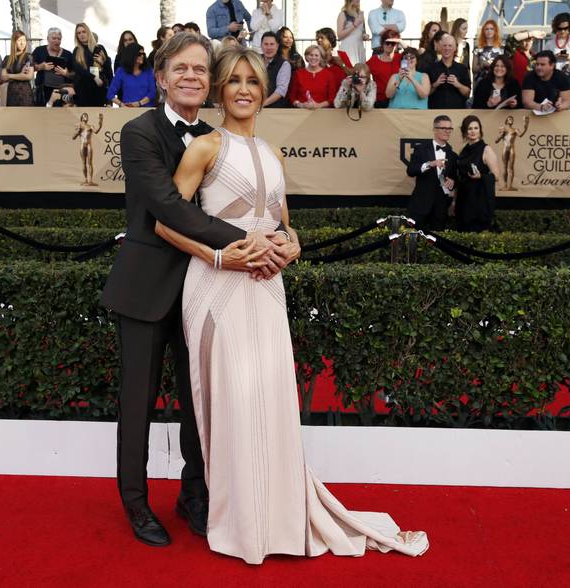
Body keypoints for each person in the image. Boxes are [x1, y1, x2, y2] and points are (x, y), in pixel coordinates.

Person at [154, 44, 427, 566]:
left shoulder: (274, 153)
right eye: (233, 80)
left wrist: (293, 244)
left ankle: (277, 516)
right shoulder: (204, 148)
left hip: (267, 285)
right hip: (217, 286)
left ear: (263, 91)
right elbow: (165, 222)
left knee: (272, 398)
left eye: (252, 81)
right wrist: (220, 254)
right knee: (233, 401)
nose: (242, 89)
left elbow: (281, 222)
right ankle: (239, 521)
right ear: (219, 90)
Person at [99, 32, 295, 548]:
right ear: (161, 77)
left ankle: (194, 496)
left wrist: (278, 240)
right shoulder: (139, 132)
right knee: (137, 406)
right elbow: (169, 208)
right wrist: (253, 243)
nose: (191, 76)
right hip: (147, 290)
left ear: (209, 82)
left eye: (200, 70)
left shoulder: (217, 139)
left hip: (203, 291)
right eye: (180, 69)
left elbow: (265, 206)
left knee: (200, 402)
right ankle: (136, 504)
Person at [406, 114, 457, 231]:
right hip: (420, 203)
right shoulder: (421, 149)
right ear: (435, 129)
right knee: (412, 239)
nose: (447, 131)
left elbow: (455, 178)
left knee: (437, 242)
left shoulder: (453, 155)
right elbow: (410, 171)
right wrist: (430, 164)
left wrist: (452, 182)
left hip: (441, 207)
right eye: (443, 128)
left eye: (449, 128)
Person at [454, 115, 500, 232]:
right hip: (463, 199)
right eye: (470, 128)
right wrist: (454, 201)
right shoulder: (463, 151)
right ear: (465, 132)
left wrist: (481, 176)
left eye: (476, 128)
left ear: (480, 130)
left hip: (479, 200)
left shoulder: (486, 149)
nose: (473, 131)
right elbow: (459, 177)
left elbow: (496, 176)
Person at [425, 33, 471, 109]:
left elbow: (467, 94)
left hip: (457, 112)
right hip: (435, 112)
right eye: (444, 45)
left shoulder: (462, 69)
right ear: (440, 48)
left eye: (450, 46)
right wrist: (435, 84)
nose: (447, 48)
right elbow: (425, 93)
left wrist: (458, 84)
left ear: (455, 48)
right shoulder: (431, 68)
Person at [72, 23, 112, 107]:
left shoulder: (99, 48)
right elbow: (79, 69)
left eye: (83, 31)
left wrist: (102, 62)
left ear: (88, 32)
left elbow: (108, 70)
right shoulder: (77, 50)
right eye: (78, 33)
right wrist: (94, 77)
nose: (81, 35)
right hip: (83, 90)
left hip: (99, 89)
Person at [32, 27, 74, 106]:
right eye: (54, 38)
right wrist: (41, 67)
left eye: (59, 39)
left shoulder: (68, 54)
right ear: (48, 39)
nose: (57, 41)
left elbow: (75, 74)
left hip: (61, 93)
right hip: (42, 93)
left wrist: (65, 73)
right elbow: (31, 68)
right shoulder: (39, 50)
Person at [107, 43, 156, 107]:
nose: (142, 56)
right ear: (131, 55)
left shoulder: (148, 71)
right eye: (139, 54)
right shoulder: (121, 71)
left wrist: (139, 103)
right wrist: (121, 104)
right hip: (128, 110)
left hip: (146, 110)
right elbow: (110, 94)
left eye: (143, 54)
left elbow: (152, 92)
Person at [289, 44, 336, 109]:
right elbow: (292, 97)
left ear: (321, 58)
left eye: (316, 55)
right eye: (311, 55)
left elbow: (332, 98)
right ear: (306, 57)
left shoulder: (329, 75)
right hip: (302, 112)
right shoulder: (298, 74)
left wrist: (318, 105)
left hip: (322, 112)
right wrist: (301, 105)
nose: (313, 57)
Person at [366, 30, 401, 108]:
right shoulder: (374, 60)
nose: (389, 46)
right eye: (387, 43)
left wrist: (400, 41)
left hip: (398, 99)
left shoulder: (401, 58)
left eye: (392, 43)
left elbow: (414, 55)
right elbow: (361, 70)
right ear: (382, 43)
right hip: (380, 101)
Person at [494, 114, 528, 191]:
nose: (511, 120)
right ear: (506, 121)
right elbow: (496, 141)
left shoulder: (515, 130)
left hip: (512, 149)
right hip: (505, 149)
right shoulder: (503, 129)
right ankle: (505, 185)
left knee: (511, 168)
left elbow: (521, 135)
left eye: (512, 119)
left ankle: (510, 186)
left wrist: (525, 128)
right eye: (509, 119)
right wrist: (501, 135)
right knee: (505, 167)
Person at [1, 31, 35, 107]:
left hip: (25, 94)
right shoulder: (7, 59)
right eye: (19, 40)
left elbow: (29, 76)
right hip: (10, 93)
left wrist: (9, 76)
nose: (22, 43)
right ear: (14, 42)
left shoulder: (28, 57)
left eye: (24, 40)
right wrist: (20, 75)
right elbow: (3, 77)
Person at [259, 32, 290, 107]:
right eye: (266, 44)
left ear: (277, 46)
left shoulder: (284, 64)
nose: (269, 47)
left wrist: (262, 104)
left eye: (272, 44)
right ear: (261, 46)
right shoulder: (255, 60)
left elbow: (281, 90)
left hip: (274, 109)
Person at [73, 112, 104, 185]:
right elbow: (73, 137)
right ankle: (85, 180)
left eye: (87, 115)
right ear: (82, 117)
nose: (86, 117)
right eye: (84, 116)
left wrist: (100, 122)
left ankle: (91, 180)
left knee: (90, 163)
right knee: (84, 162)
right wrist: (78, 131)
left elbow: (96, 131)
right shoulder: (79, 126)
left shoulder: (90, 126)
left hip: (89, 145)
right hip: (82, 145)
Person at [337, 0, 369, 66]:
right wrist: (354, 25)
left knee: (361, 72)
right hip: (348, 48)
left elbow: (362, 31)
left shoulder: (360, 14)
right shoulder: (343, 14)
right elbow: (339, 35)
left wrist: (365, 36)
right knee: (349, 70)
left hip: (359, 48)